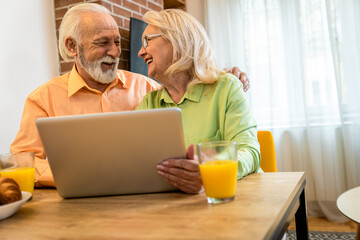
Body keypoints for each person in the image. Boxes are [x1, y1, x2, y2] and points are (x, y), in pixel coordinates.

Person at [10, 3, 250, 188]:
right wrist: (80, 176)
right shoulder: (42, 99)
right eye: (103, 42)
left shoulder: (149, 90)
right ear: (72, 47)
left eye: (117, 42)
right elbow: (22, 163)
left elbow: (188, 92)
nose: (115, 52)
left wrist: (223, 78)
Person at [136, 9, 261, 194]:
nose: (140, 52)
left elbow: (250, 152)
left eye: (147, 41)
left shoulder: (226, 87)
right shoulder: (149, 103)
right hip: (175, 205)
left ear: (177, 39)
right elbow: (135, 162)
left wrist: (208, 172)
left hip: (231, 198)